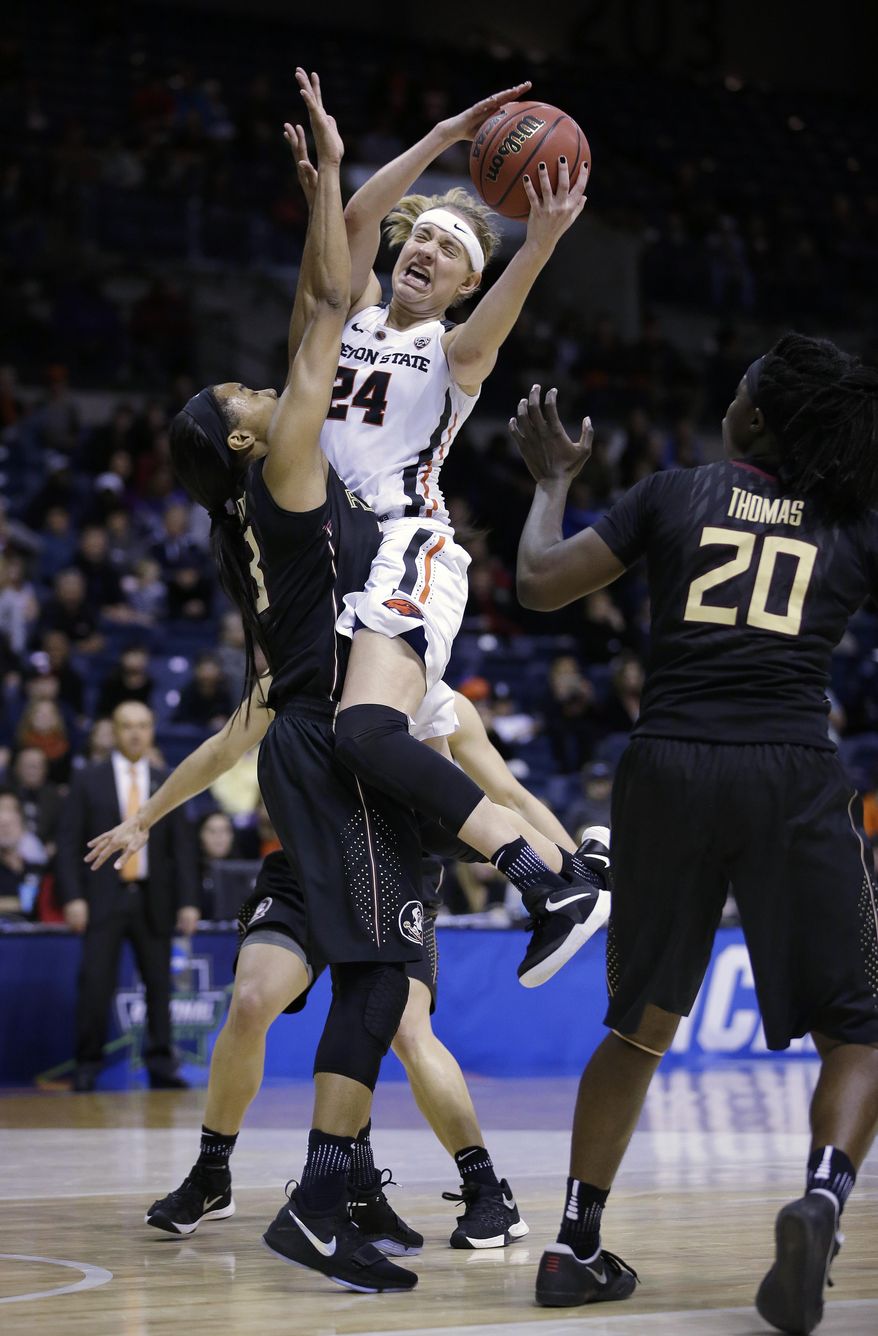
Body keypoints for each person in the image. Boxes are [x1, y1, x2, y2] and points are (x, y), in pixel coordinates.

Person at [192, 84, 603, 990]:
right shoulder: (344, 322)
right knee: (428, 747)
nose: (429, 248)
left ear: (463, 285)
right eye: (424, 237)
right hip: (335, 571)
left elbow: (502, 314)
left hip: (405, 548)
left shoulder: (453, 353)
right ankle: (574, 863)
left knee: (382, 735)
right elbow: (352, 225)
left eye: (452, 250)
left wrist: (536, 245)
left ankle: (551, 881)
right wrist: (448, 137)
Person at [509, 342, 878, 1334]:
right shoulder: (849, 524)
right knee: (859, 1031)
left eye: (739, 388)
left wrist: (549, 484)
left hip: (665, 766)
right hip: (790, 771)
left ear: (755, 421)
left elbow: (539, 582)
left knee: (637, 1025)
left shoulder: (673, 494)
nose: (726, 397)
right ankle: (819, 1199)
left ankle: (572, 1244)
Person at [159, 70, 424, 1294]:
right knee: (379, 970)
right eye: (245, 398)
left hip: (310, 737)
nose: (262, 387)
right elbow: (330, 295)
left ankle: (333, 1186)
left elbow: (333, 299)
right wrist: (326, 174)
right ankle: (320, 1194)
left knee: (374, 971)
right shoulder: (290, 468)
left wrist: (339, 177)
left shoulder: (260, 514)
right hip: (331, 742)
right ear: (248, 440)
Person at [87, 682, 602, 1251]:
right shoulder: (307, 671)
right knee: (253, 1000)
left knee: (408, 1030)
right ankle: (212, 1172)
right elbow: (222, 748)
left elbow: (508, 796)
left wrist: (580, 872)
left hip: (397, 878)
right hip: (305, 873)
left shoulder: (441, 702)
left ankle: (486, 1192)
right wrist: (144, 818)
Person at [56, 700, 199, 1091]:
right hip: (103, 897)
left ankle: (161, 1064)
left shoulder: (167, 780)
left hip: (154, 898)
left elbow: (182, 848)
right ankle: (87, 1065)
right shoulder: (89, 779)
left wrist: (188, 900)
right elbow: (68, 844)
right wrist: (73, 896)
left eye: (142, 725)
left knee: (159, 985)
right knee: (95, 985)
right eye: (127, 726)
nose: (135, 732)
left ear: (152, 729)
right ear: (114, 732)